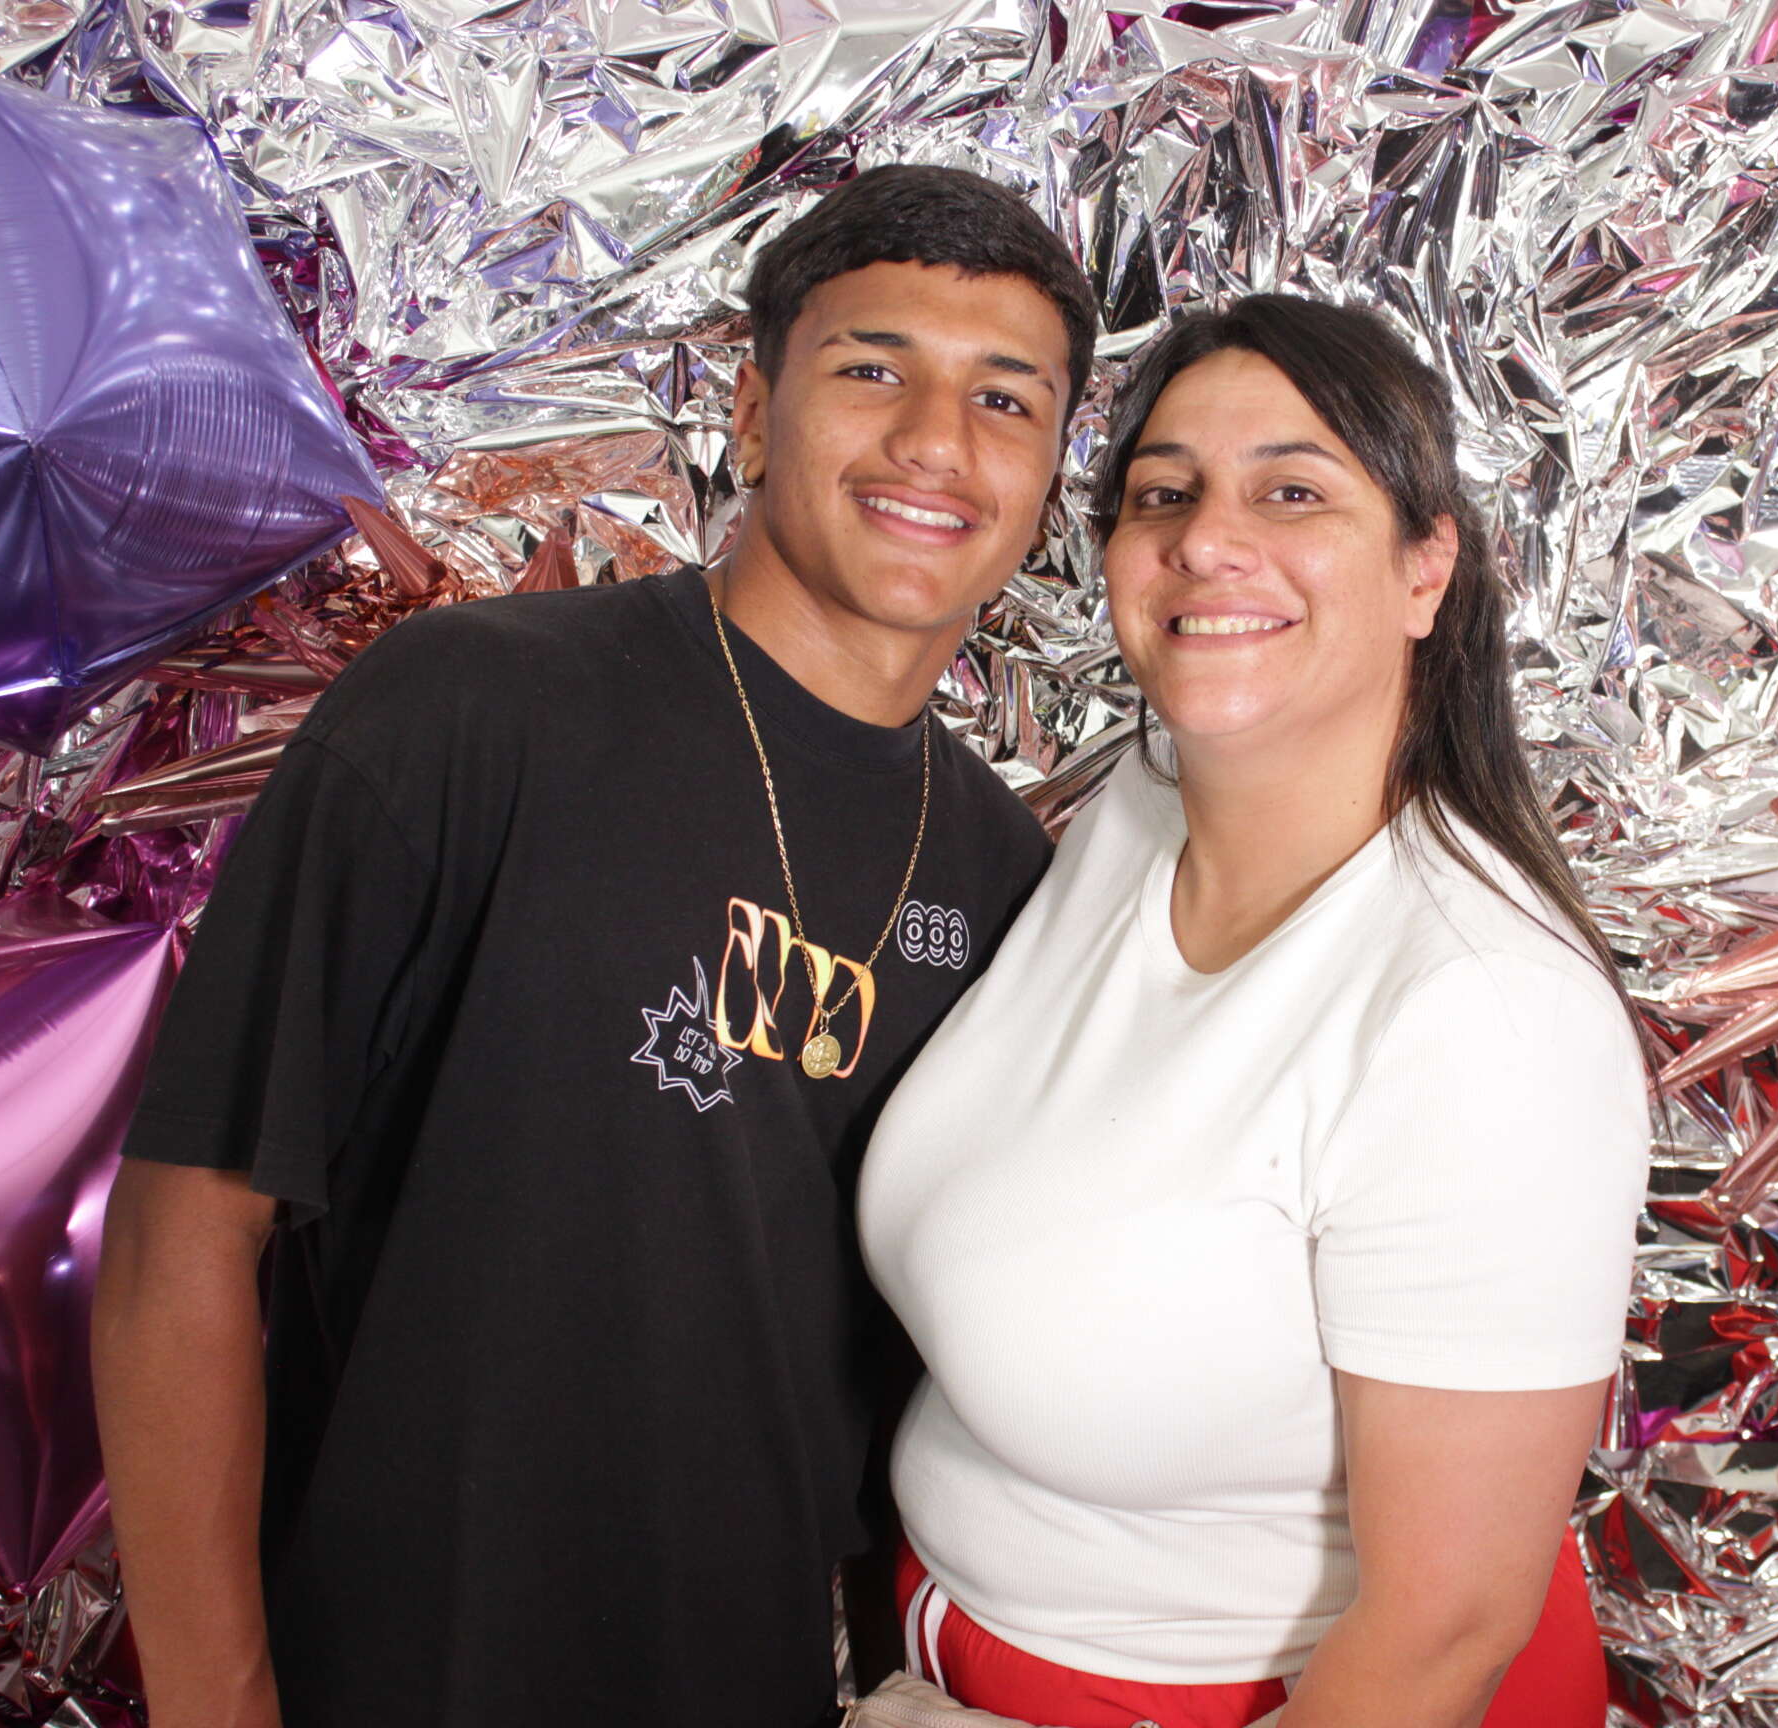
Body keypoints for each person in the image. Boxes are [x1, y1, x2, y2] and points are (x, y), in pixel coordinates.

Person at [89, 164, 1097, 1728]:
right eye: (871, 370)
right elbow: (184, 1235)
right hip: (398, 1671)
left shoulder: (1005, 875)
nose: (934, 443)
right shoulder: (472, 709)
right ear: (753, 413)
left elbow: (917, 1372)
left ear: (1048, 478)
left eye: (1005, 401)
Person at [858, 295, 1653, 1728]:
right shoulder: (1143, 810)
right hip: (952, 1654)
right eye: (1165, 494)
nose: (1207, 541)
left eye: (1293, 492)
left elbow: (1442, 1634)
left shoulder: (1485, 1018)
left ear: (1425, 568)